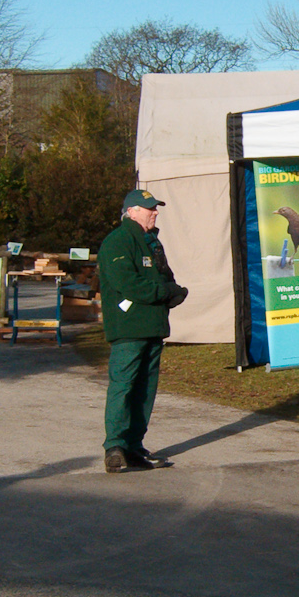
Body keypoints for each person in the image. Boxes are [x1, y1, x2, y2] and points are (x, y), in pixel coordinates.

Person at [99, 188, 189, 474]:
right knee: (124, 386)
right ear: (132, 211)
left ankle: (134, 447)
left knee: (145, 390)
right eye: (150, 208)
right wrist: (165, 292)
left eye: (155, 207)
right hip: (129, 328)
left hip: (152, 326)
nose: (155, 212)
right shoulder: (118, 241)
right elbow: (128, 283)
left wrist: (174, 291)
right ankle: (115, 446)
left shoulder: (152, 242)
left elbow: (164, 276)